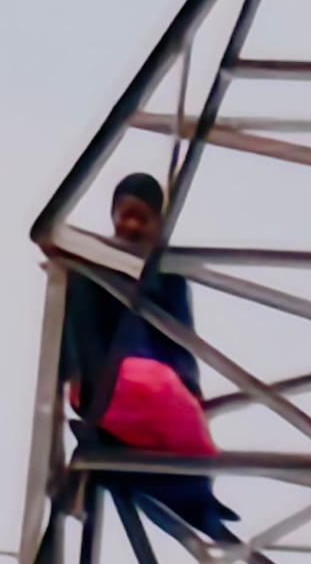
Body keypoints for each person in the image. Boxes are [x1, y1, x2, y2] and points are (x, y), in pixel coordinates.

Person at [59, 173, 239, 541]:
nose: (130, 225)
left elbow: (181, 343)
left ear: (158, 222)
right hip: (111, 381)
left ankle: (195, 503)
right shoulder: (92, 266)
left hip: (154, 388)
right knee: (163, 409)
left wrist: (191, 392)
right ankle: (192, 501)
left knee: (184, 446)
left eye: (141, 217)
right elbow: (75, 327)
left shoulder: (169, 277)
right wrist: (75, 377)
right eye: (123, 216)